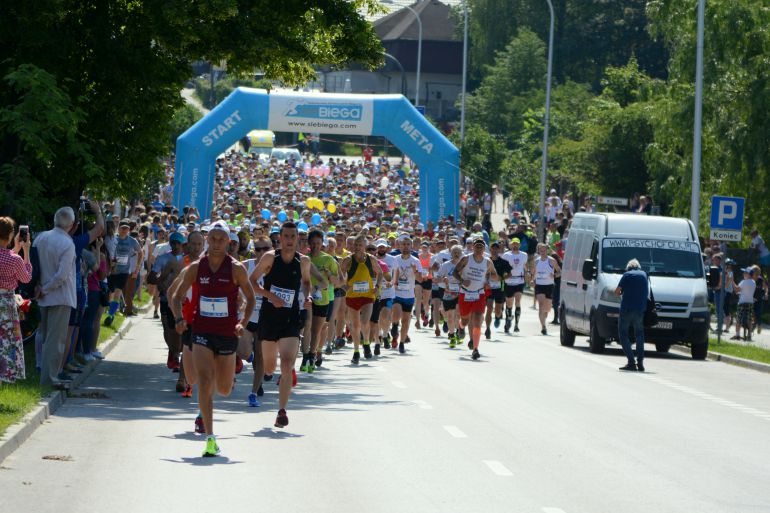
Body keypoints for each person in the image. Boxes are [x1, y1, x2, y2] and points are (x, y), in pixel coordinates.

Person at [172, 221, 255, 457]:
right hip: (201, 332)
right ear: (207, 240)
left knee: (224, 388)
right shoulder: (197, 268)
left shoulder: (237, 269)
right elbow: (177, 296)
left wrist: (243, 323)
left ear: (229, 242)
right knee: (205, 381)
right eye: (213, 239)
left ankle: (223, 380)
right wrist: (179, 318)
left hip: (227, 333)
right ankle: (210, 437)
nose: (217, 243)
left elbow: (251, 299)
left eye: (222, 240)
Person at [249, 222, 313, 429]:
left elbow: (305, 282)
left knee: (286, 365)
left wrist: (308, 295)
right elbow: (252, 281)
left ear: (297, 239)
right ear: (280, 238)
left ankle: (282, 411)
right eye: (285, 236)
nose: (289, 240)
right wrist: (271, 296)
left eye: (293, 236)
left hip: (290, 319)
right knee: (268, 367)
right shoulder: (270, 258)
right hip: (269, 318)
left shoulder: (303, 261)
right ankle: (272, 373)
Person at [33, 207, 77, 389]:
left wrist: (38, 286)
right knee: (55, 340)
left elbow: (34, 266)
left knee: (45, 336)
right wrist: (45, 288)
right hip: (58, 295)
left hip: (42, 294)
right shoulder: (67, 243)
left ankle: (45, 374)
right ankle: (50, 378)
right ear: (72, 224)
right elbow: (62, 275)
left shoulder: (40, 237)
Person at [453, 237, 498, 359]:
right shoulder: (466, 259)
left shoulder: (488, 262)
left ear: (484, 249)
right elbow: (455, 272)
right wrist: (462, 280)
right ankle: (461, 328)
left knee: (477, 320)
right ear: (473, 247)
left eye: (481, 247)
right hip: (465, 293)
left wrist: (490, 280)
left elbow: (493, 274)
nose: (478, 249)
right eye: (476, 246)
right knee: (466, 320)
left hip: (479, 294)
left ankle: (475, 348)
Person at [0, 217, 32, 383]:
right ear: (11, 235)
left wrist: (16, 248)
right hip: (5, 302)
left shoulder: (11, 257)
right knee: (4, 342)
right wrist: (25, 252)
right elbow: (26, 278)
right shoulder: (15, 259)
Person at [340, 234, 381, 364]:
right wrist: (343, 285)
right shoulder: (348, 260)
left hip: (368, 295)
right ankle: (356, 351)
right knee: (355, 324)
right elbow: (339, 274)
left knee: (364, 322)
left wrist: (377, 286)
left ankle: (367, 343)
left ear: (365, 246)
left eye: (360, 245)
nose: (357, 247)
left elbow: (380, 273)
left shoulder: (371, 259)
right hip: (352, 296)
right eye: (356, 245)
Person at [614, 258, 649, 372]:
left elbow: (617, 291)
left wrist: (622, 293)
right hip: (640, 310)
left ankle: (631, 362)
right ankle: (640, 362)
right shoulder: (644, 275)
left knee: (623, 334)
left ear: (628, 267)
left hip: (626, 309)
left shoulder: (627, 275)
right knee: (639, 335)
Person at [104, 219, 141, 326]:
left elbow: (140, 252)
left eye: (127, 229)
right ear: (118, 228)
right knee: (110, 292)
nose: (124, 230)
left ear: (129, 230)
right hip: (112, 271)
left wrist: (137, 268)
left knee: (118, 292)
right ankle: (108, 310)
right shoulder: (112, 238)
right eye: (122, 228)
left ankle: (111, 315)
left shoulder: (132, 241)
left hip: (124, 272)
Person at [530, 243, 561, 335]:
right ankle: (543, 326)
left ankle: (544, 318)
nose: (542, 252)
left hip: (549, 286)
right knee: (541, 305)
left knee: (546, 309)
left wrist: (554, 275)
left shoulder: (552, 261)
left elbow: (560, 272)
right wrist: (532, 280)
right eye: (541, 250)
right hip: (539, 285)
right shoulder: (536, 261)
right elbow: (533, 274)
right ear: (538, 251)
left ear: (547, 250)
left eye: (544, 250)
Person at [500, 237, 528, 333]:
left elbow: (525, 266)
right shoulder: (506, 255)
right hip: (509, 281)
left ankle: (516, 324)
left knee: (518, 301)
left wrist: (527, 274)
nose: (515, 245)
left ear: (519, 245)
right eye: (513, 244)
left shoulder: (524, 255)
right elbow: (502, 267)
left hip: (519, 281)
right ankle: (508, 320)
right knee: (509, 303)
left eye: (517, 244)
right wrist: (503, 276)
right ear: (511, 245)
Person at [733, 267, 756, 341]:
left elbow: (737, 289)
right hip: (750, 302)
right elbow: (746, 291)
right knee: (749, 319)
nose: (743, 274)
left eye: (745, 273)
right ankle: (749, 335)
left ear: (748, 274)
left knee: (738, 318)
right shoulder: (753, 282)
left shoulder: (744, 282)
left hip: (742, 302)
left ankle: (737, 335)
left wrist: (732, 281)